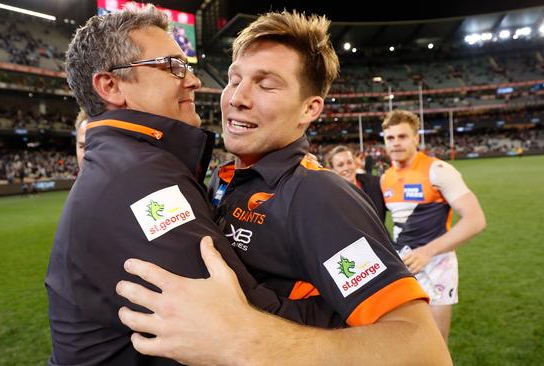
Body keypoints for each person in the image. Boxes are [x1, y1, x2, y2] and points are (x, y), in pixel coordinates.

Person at [116, 11, 452, 365]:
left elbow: (423, 352)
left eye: (265, 84)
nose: (237, 98)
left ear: (309, 108)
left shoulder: (318, 196)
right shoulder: (224, 179)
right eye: (234, 80)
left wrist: (246, 340)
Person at [46, 7, 339, 366]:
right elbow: (240, 320)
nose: (193, 81)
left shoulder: (132, 165)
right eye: (172, 66)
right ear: (111, 86)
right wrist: (349, 315)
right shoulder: (141, 180)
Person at [380, 109, 487, 343]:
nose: (396, 143)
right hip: (405, 264)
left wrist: (428, 251)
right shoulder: (385, 177)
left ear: (416, 138)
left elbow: (475, 219)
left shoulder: (437, 170)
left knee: (437, 342)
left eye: (402, 136)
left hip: (438, 263)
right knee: (406, 338)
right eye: (390, 138)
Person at [327, 145, 387, 222]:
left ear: (355, 164)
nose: (346, 168)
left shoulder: (375, 183)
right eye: (340, 165)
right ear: (333, 170)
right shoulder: (330, 196)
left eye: (349, 162)